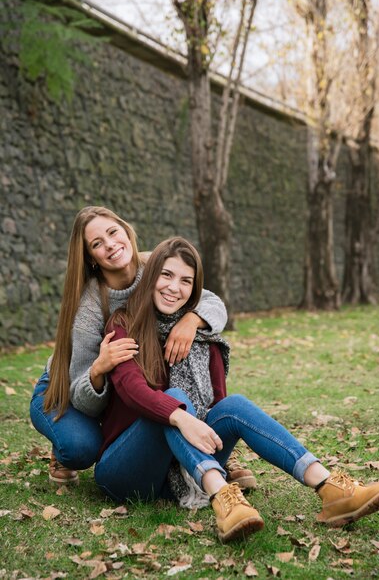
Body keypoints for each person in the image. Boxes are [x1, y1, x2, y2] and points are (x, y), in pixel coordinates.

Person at [95, 237, 379, 543]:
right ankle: (223, 495)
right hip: (124, 470)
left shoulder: (201, 336)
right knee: (174, 403)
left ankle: (329, 487)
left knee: (233, 405)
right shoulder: (124, 323)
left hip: (176, 475)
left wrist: (192, 324)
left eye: (186, 281)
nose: (175, 288)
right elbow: (131, 388)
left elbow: (217, 405)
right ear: (151, 275)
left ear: (195, 290)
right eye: (167, 275)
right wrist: (182, 418)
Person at [29, 207, 229, 486]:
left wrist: (193, 320)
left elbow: (213, 303)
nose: (110, 244)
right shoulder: (89, 308)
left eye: (113, 232)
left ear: (126, 231)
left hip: (121, 376)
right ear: (91, 258)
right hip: (66, 385)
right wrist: (98, 368)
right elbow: (82, 397)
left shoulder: (155, 266)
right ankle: (61, 446)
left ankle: (216, 448)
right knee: (82, 448)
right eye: (97, 244)